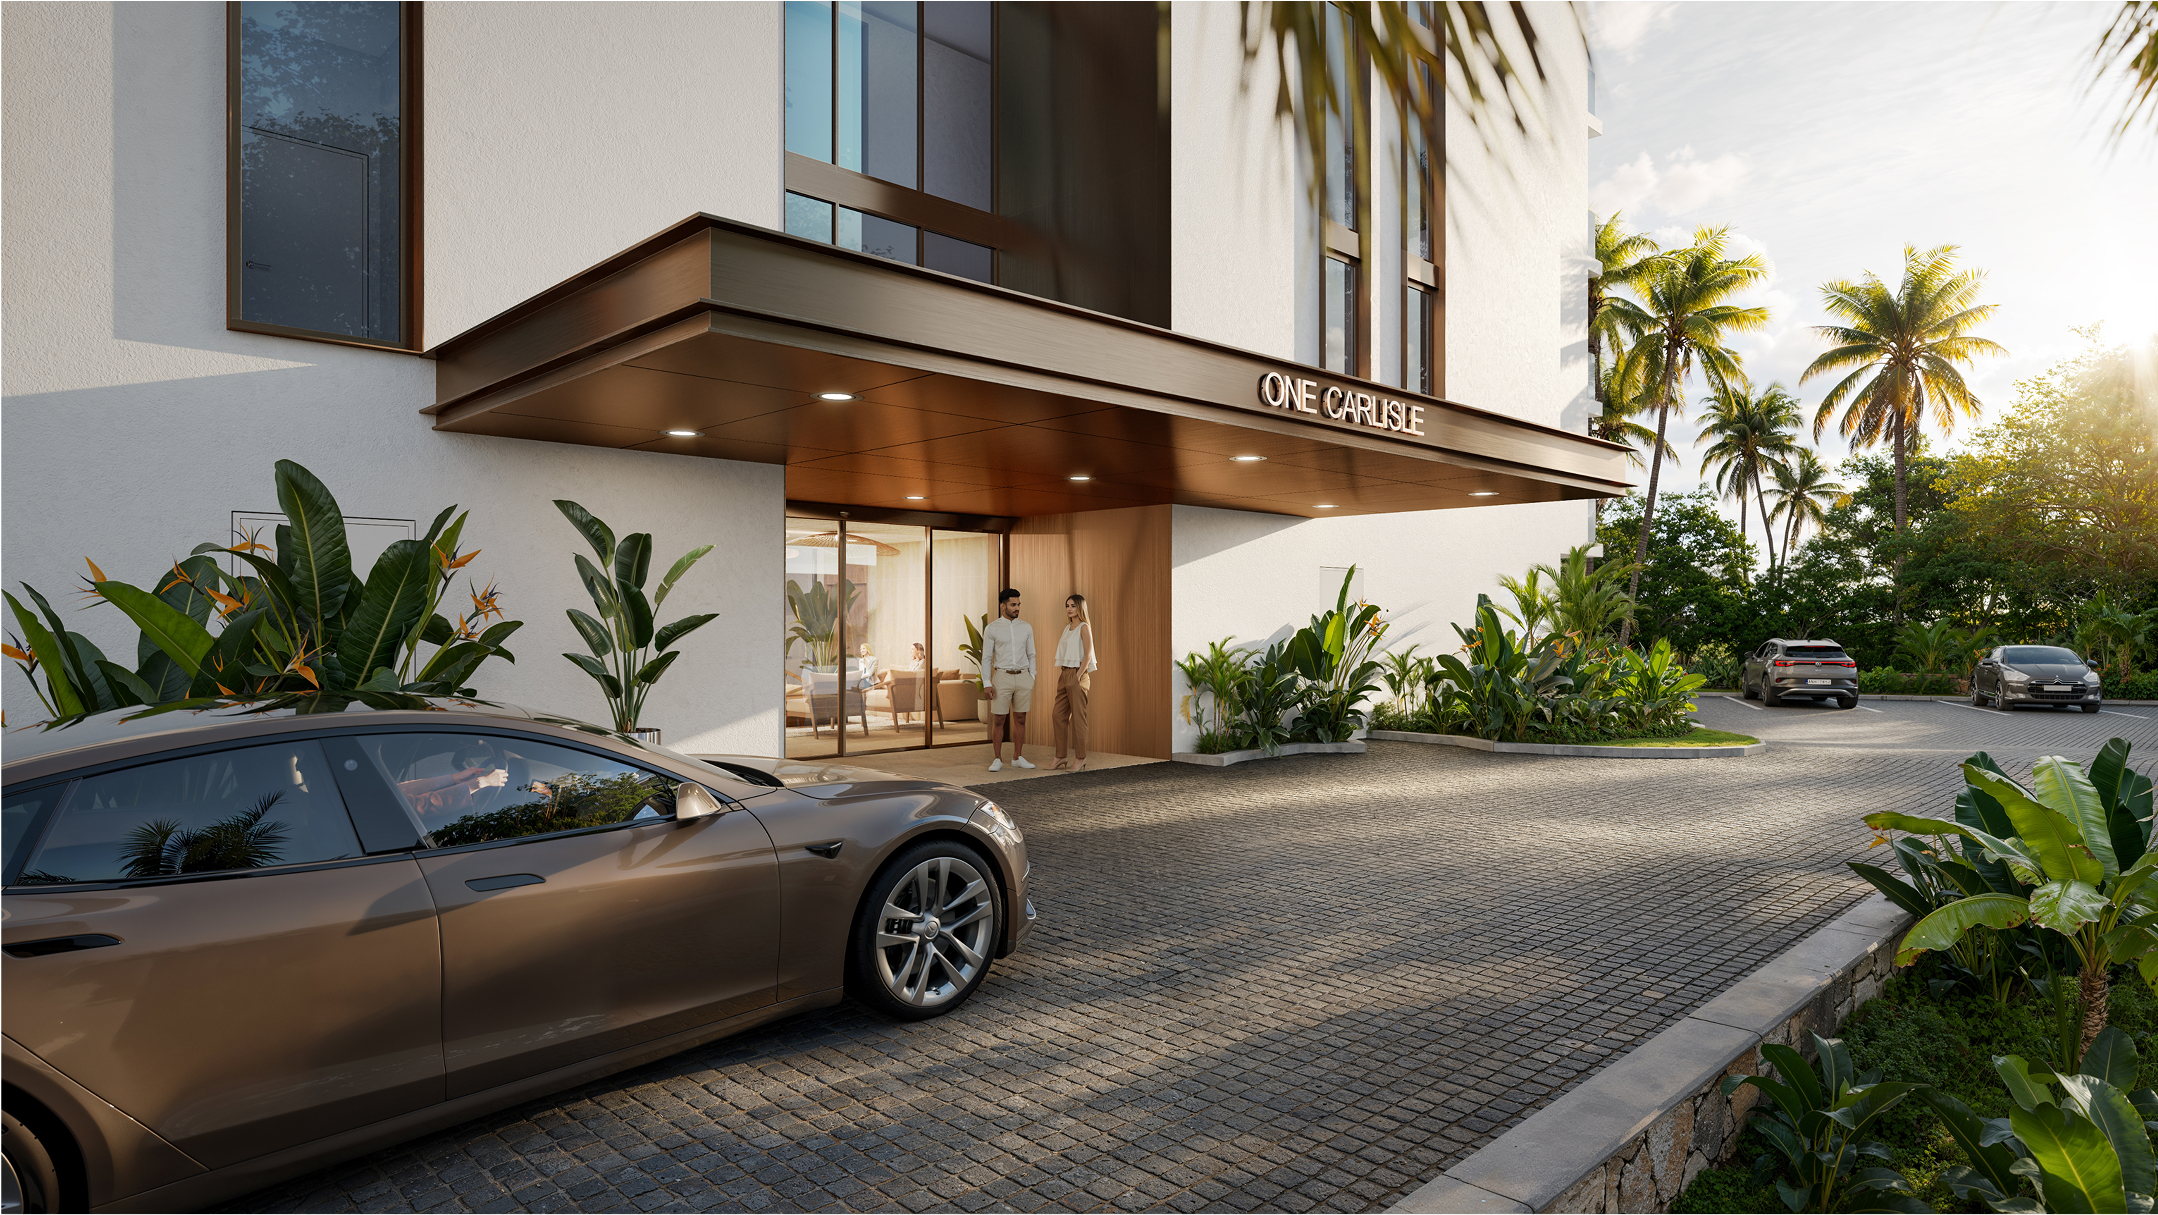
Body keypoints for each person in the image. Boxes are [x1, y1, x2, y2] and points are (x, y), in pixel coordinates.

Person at [979, 588, 1035, 771]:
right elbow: (986, 657)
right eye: (1013, 605)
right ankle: (997, 759)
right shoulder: (992, 628)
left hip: (1023, 676)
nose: (1017, 608)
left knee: (1020, 718)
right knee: (999, 719)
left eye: (1018, 604)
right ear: (1003, 606)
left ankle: (1017, 757)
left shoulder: (1026, 627)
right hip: (1001, 677)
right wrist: (987, 682)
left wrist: (1032, 676)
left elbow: (1031, 654)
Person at [1051, 594, 1097, 770]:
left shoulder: (1084, 627)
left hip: (1077, 675)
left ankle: (1080, 758)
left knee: (1078, 720)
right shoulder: (1068, 627)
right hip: (1064, 675)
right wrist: (1067, 677)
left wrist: (1077, 676)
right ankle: (1060, 756)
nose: (1069, 609)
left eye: (1073, 605)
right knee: (1058, 715)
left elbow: (1088, 654)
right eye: (1067, 605)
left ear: (1080, 607)